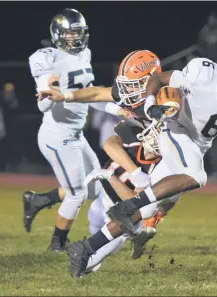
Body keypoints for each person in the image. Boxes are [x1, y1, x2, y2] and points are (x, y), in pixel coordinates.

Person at [66, 41, 217, 278]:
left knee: (148, 210)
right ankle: (130, 204)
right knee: (197, 176)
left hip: (196, 147)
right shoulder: (203, 71)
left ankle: (87, 250)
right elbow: (159, 79)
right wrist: (152, 107)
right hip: (176, 128)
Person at [26, 50, 169, 256]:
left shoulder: (167, 98)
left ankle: (146, 222)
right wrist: (64, 95)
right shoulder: (133, 94)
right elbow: (95, 93)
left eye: (133, 83)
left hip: (171, 156)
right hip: (144, 150)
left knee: (160, 199)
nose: (127, 90)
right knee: (102, 201)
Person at [25, 8, 132, 252]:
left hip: (76, 134)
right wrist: (49, 87)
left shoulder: (85, 54)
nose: (76, 38)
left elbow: (90, 93)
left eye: (79, 33)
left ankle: (39, 200)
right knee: (77, 194)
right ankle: (58, 245)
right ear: (58, 34)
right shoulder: (45, 57)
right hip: (57, 134)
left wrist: (117, 110)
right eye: (70, 33)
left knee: (94, 186)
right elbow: (43, 105)